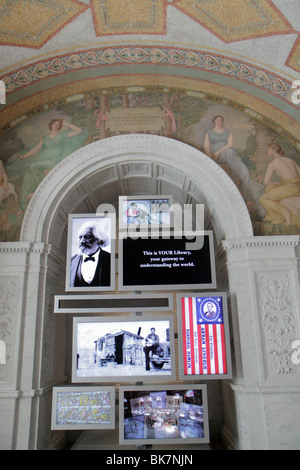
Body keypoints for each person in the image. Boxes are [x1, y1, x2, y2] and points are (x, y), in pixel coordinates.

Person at [5, 118, 87, 215]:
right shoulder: (45, 138)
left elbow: (78, 131)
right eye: (54, 124)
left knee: (34, 166)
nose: (56, 125)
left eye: (58, 124)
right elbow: (36, 149)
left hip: (53, 161)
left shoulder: (61, 136)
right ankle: (23, 206)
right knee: (28, 178)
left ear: (59, 127)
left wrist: (65, 123)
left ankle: (35, 192)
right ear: (51, 125)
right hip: (43, 159)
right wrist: (23, 156)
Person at [204, 115, 253, 204]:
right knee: (229, 152)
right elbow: (206, 146)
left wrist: (218, 152)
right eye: (217, 120)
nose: (219, 121)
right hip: (216, 157)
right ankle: (235, 179)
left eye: (221, 120)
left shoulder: (228, 132)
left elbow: (230, 145)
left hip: (227, 154)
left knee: (245, 171)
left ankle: (247, 198)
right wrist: (210, 158)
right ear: (214, 121)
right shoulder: (209, 133)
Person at [259, 143, 300, 227]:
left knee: (263, 199)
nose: (267, 151)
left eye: (269, 149)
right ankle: (273, 216)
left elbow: (266, 182)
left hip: (289, 188)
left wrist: (277, 183)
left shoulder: (273, 164)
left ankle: (285, 213)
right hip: (297, 187)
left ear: (274, 151)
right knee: (269, 190)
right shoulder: (289, 160)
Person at [70, 220, 111, 287]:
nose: (82, 241)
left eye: (87, 237)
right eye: (80, 237)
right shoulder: (71, 261)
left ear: (99, 239)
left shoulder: (110, 259)